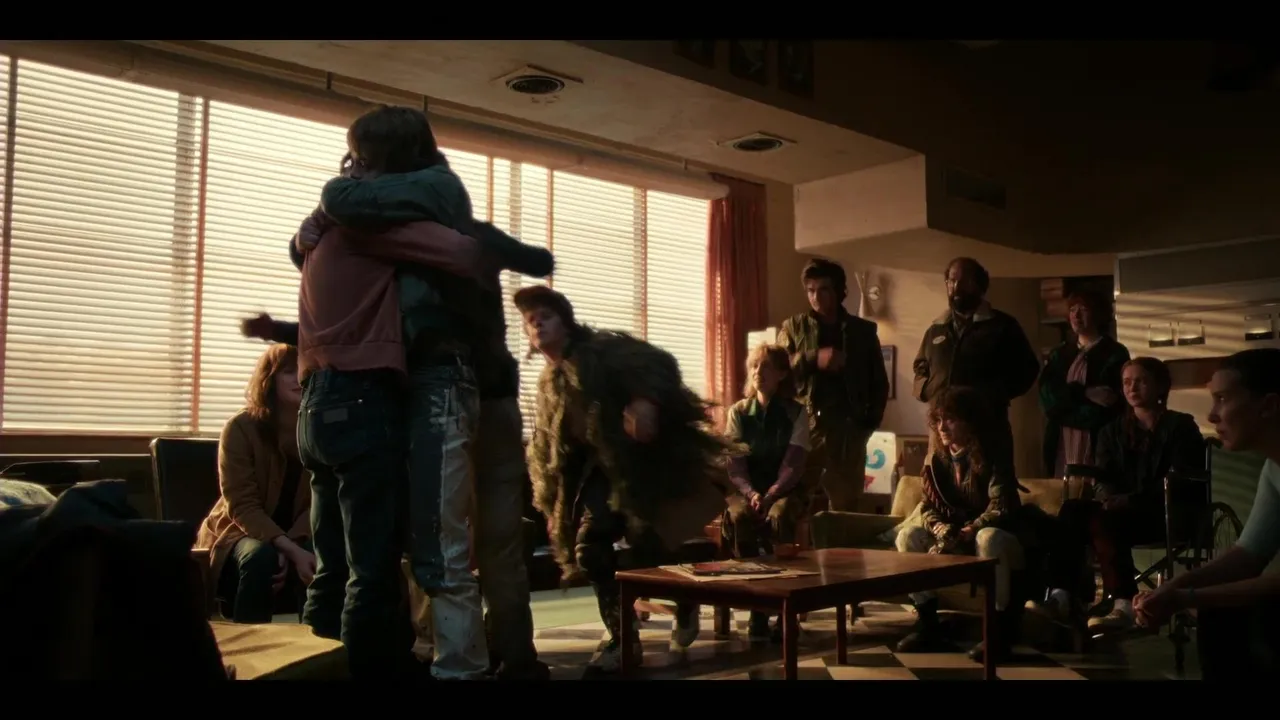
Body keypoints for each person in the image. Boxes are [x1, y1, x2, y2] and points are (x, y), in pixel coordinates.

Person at [249, 106, 552, 680]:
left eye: (361, 160)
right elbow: (459, 255)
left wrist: (324, 210)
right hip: (381, 394)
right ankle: (428, 665)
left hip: (345, 399)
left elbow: (345, 278)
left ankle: (333, 667)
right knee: (387, 560)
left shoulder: (351, 220)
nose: (354, 168)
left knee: (355, 563)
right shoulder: (370, 223)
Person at [516, 285, 730, 673]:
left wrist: (644, 402)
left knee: (650, 549)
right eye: (531, 320)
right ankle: (622, 637)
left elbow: (659, 362)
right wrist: (554, 507)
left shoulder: (600, 350)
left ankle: (684, 596)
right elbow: (553, 454)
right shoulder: (549, 384)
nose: (538, 324)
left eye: (545, 316)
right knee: (590, 550)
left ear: (566, 321)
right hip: (598, 477)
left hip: (639, 467)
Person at [1134, 348, 1280, 680]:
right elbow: (1248, 555)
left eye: (1222, 399)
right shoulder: (1274, 469)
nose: (1212, 416)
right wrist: (1173, 587)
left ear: (1269, 406)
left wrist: (1186, 597)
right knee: (1221, 612)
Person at [1037, 357, 1204, 632]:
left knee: (1104, 520)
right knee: (1072, 510)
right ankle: (1062, 595)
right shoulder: (1111, 431)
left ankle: (1123, 603)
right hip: (1119, 512)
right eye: (1126, 382)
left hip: (1164, 512)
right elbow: (1104, 475)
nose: (1132, 388)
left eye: (1141, 381)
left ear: (1160, 386)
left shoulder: (1181, 427)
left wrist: (1130, 500)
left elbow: (1183, 480)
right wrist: (1108, 497)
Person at [894, 386, 1026, 661]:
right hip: (955, 537)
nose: (942, 427)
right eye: (939, 419)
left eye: (951, 419)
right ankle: (928, 623)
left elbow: (1000, 506)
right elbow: (928, 506)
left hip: (997, 537)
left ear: (970, 422)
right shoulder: (936, 460)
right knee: (908, 536)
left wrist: (971, 529)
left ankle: (998, 631)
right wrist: (939, 528)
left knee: (988, 537)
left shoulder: (993, 455)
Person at [194, 344, 315, 624]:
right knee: (261, 557)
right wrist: (288, 549)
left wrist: (293, 545)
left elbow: (320, 500)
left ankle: (317, 645)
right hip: (238, 533)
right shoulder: (240, 427)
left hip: (298, 536)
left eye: (305, 369)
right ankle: (250, 644)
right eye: (288, 371)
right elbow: (242, 506)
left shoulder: (317, 429)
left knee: (327, 554)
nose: (299, 377)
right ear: (269, 379)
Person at [776, 258, 888, 513]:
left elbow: (879, 383)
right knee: (791, 504)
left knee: (846, 510)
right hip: (805, 429)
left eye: (824, 289)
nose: (816, 297)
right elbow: (778, 369)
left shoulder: (863, 331)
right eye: (810, 290)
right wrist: (813, 358)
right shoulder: (793, 327)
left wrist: (867, 425)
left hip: (848, 432)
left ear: (838, 291)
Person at [912, 257, 1040, 471]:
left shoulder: (1002, 326)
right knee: (940, 483)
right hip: (941, 433)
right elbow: (920, 367)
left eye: (964, 281)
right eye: (951, 281)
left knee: (988, 482)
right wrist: (927, 390)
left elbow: (1027, 369)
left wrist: (991, 396)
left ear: (980, 285)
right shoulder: (936, 330)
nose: (956, 287)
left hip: (986, 429)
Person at [721, 343, 810, 641]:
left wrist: (771, 494)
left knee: (781, 516)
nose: (758, 371)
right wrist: (751, 493)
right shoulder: (739, 411)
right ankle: (758, 608)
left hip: (783, 491)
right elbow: (735, 464)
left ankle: (786, 611)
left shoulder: (796, 412)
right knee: (739, 517)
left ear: (782, 374)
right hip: (747, 490)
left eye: (766, 366)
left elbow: (793, 463)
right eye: (754, 365)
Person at [1038, 290, 1131, 478]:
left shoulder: (1114, 353)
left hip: (1098, 442)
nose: (1076, 315)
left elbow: (1106, 406)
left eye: (1084, 309)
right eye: (1073, 310)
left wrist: (1066, 406)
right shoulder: (1060, 354)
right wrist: (1085, 393)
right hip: (1061, 443)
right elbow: (1049, 399)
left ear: (1098, 313)